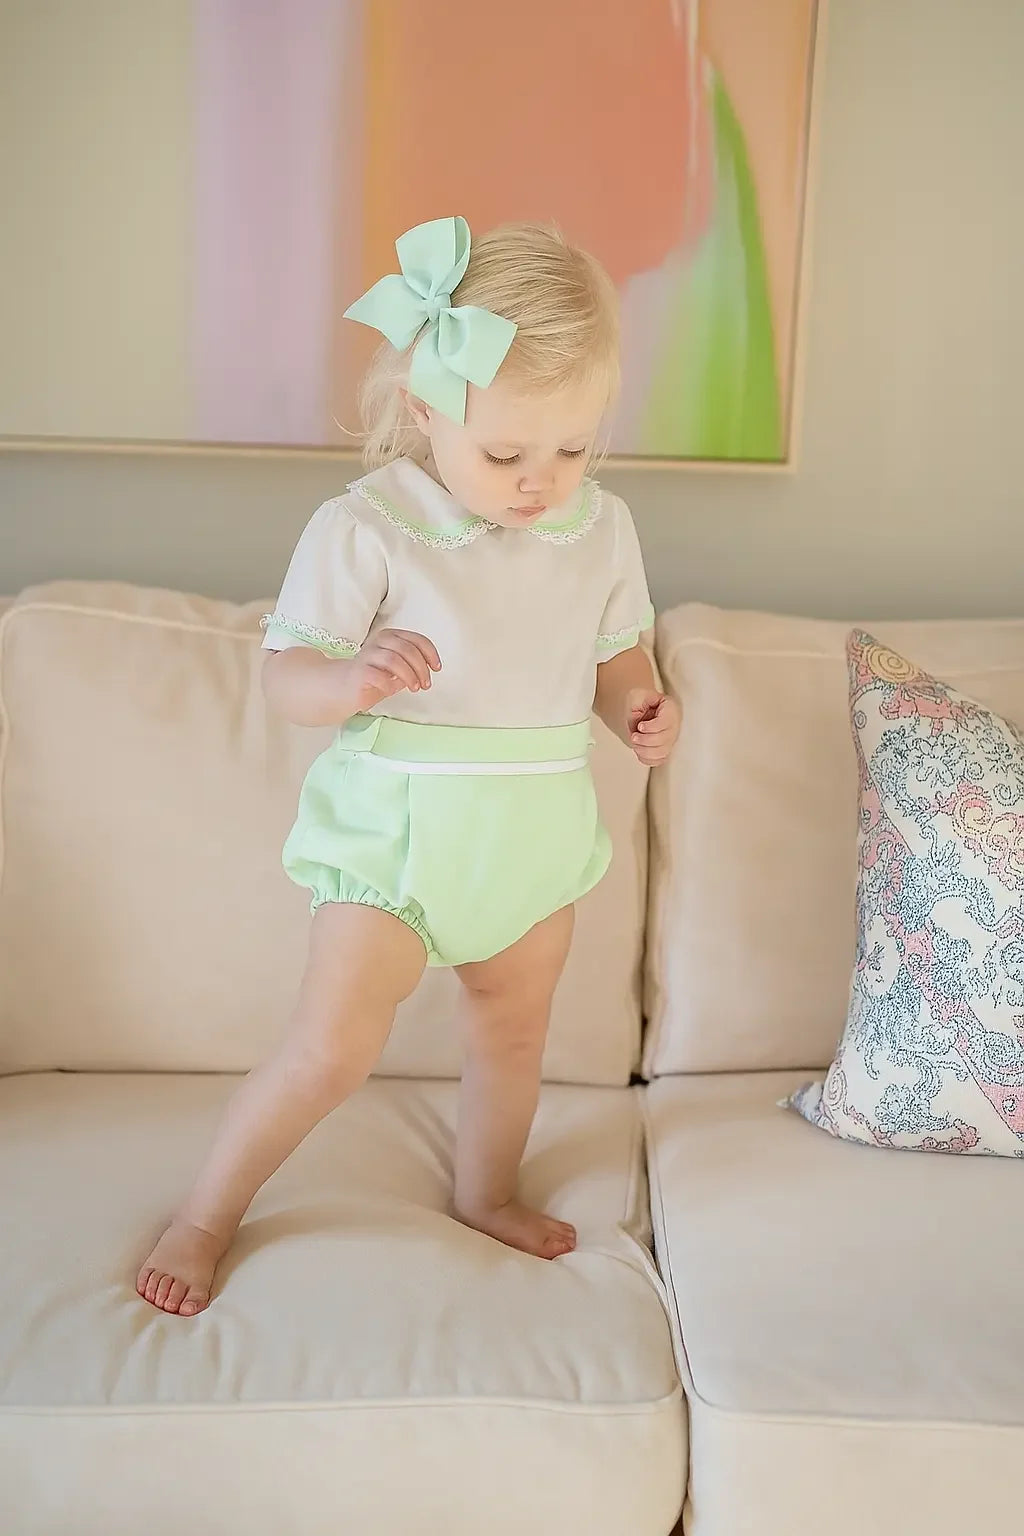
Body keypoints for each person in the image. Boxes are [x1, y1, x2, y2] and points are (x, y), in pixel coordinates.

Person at [137, 216, 681, 1317]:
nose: (543, 481)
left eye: (573, 448)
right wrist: (353, 680)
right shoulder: (369, 527)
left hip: (528, 843)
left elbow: (615, 654)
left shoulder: (601, 529)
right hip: (397, 844)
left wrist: (638, 704)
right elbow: (288, 680)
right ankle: (202, 1215)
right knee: (331, 1052)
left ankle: (485, 1193)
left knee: (513, 1034)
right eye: (507, 454)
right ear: (428, 412)